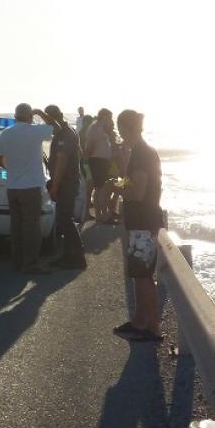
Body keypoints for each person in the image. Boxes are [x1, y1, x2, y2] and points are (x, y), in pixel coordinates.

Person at [111, 109, 163, 342]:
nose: (119, 134)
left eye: (120, 129)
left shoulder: (142, 153)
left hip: (143, 222)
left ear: (124, 128)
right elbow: (135, 184)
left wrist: (116, 187)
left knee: (142, 276)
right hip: (144, 221)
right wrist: (121, 176)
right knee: (141, 275)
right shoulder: (142, 151)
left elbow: (138, 192)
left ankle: (144, 324)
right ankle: (147, 323)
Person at [0, 103, 53, 274]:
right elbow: (56, 127)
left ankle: (17, 262)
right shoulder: (35, 131)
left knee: (16, 226)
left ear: (15, 117)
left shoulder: (5, 133)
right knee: (32, 227)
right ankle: (30, 264)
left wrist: (12, 170)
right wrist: (41, 113)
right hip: (31, 187)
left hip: (12, 187)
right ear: (30, 116)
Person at [43, 104, 86, 269]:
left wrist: (55, 185)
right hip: (65, 182)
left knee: (65, 219)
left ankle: (77, 257)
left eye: (48, 122)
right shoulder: (64, 132)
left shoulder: (66, 134)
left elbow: (62, 160)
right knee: (63, 219)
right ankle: (68, 256)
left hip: (66, 183)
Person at [83, 108, 113, 222]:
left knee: (99, 189)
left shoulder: (100, 127)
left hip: (101, 161)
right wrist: (87, 162)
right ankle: (103, 215)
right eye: (109, 117)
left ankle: (100, 216)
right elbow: (90, 146)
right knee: (101, 189)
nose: (110, 120)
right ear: (104, 117)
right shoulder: (95, 128)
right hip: (97, 161)